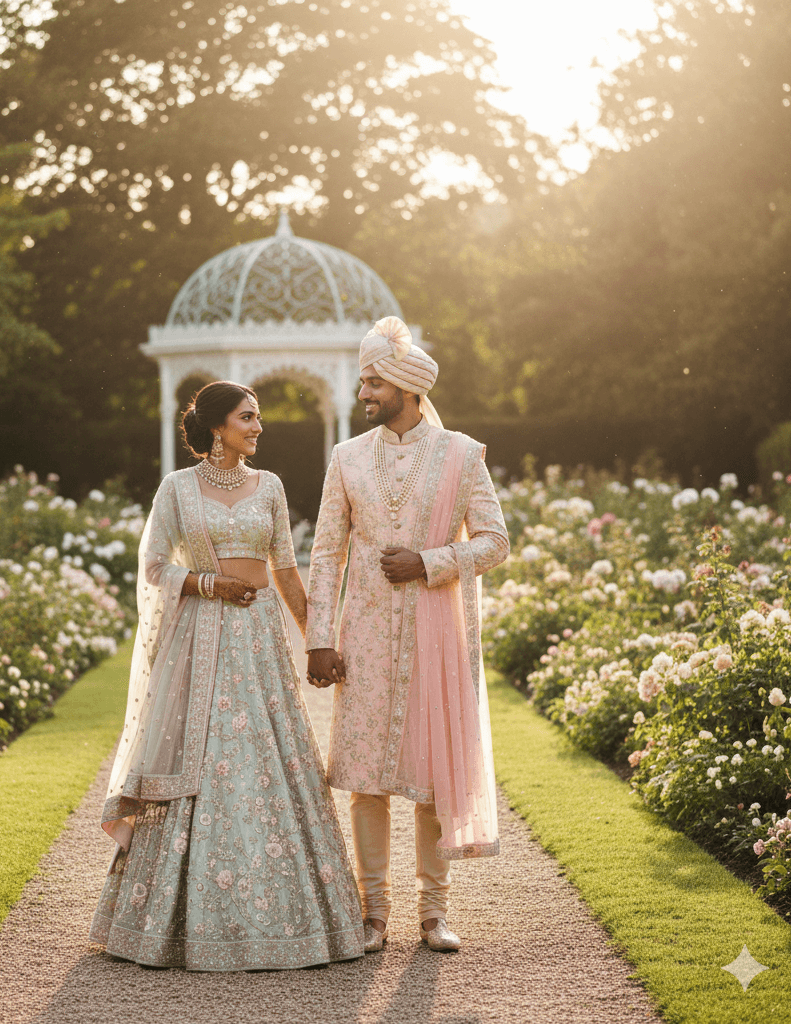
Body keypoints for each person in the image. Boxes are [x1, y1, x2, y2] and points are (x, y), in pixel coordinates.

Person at [90, 380, 364, 971]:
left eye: (257, 418)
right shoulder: (177, 490)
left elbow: (287, 572)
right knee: (203, 753)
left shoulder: (270, 486)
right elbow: (154, 564)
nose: (259, 428)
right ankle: (176, 919)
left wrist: (319, 641)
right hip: (202, 638)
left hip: (259, 641)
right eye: (248, 418)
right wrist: (208, 584)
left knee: (268, 756)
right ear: (218, 427)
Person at [305, 317, 510, 953]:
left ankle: (433, 914)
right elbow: (324, 552)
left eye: (372, 383)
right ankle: (373, 915)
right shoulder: (346, 458)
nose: (363, 394)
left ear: (405, 387)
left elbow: (495, 541)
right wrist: (319, 637)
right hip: (363, 635)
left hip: (434, 638)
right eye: (363, 382)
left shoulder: (461, 455)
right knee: (366, 779)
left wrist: (430, 562)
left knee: (429, 779)